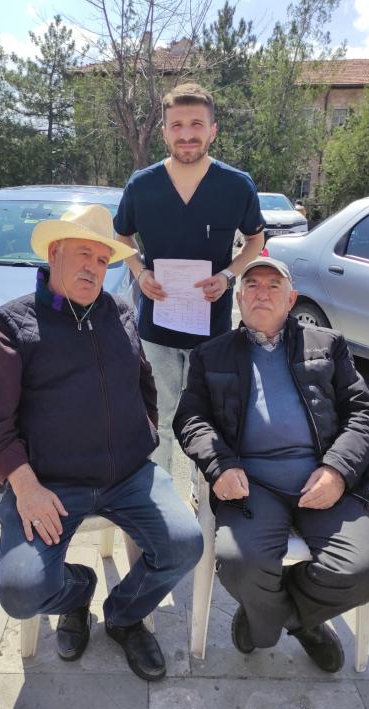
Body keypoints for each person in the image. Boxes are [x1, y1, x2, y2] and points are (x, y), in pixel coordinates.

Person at [0, 204, 203, 682]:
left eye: (103, 260)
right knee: (21, 592)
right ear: (54, 253)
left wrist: (142, 434)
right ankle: (78, 591)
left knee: (186, 545)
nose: (94, 268)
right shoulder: (12, 324)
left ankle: (123, 615)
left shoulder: (120, 312)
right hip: (50, 484)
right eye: (84, 254)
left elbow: (144, 382)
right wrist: (25, 486)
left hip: (128, 476)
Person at [173, 256, 369, 673]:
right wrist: (220, 465)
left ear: (291, 300)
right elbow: (191, 419)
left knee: (366, 571)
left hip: (323, 478)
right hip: (252, 486)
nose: (262, 293)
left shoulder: (328, 344)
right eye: (252, 285)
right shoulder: (211, 354)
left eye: (274, 286)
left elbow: (362, 414)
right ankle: (297, 619)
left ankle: (269, 615)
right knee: (240, 564)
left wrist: (338, 470)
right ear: (239, 298)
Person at [113, 82, 265, 477]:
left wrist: (228, 275)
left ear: (213, 130)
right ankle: (161, 499)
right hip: (156, 329)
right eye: (176, 125)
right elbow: (121, 237)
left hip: (212, 333)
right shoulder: (142, 185)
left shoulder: (236, 185)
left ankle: (206, 500)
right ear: (164, 131)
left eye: (196, 124)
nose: (186, 134)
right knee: (158, 422)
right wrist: (140, 272)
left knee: (209, 424)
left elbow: (256, 240)